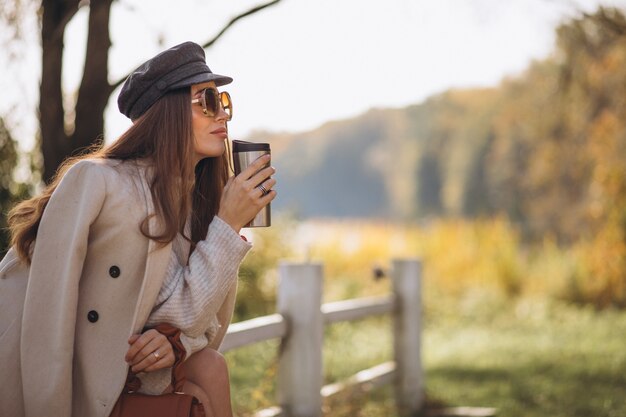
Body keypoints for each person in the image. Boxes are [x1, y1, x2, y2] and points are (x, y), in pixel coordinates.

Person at [0, 41, 276, 417]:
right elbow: (48, 314)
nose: (223, 114)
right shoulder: (96, 180)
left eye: (223, 102)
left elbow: (206, 321)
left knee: (210, 367)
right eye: (208, 100)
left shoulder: (199, 203)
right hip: (85, 392)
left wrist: (176, 343)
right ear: (169, 111)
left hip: (140, 386)